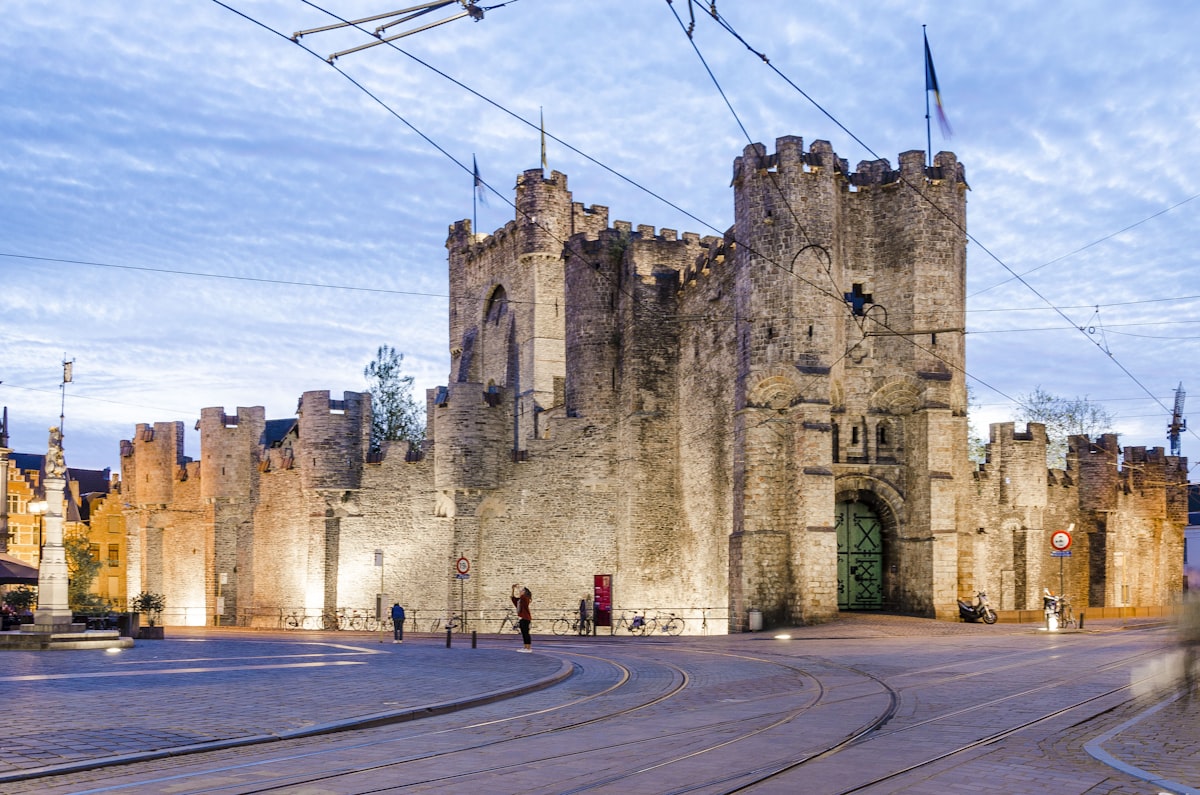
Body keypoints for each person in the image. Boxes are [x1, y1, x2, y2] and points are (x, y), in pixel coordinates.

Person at [511, 584, 532, 652]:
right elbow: (513, 598)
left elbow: (522, 596)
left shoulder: (526, 599)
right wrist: (513, 589)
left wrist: (518, 588)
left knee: (526, 633)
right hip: (522, 619)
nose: (521, 591)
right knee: (524, 633)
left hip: (526, 618)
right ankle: (525, 647)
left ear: (525, 592)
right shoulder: (520, 601)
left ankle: (528, 648)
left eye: (522, 591)